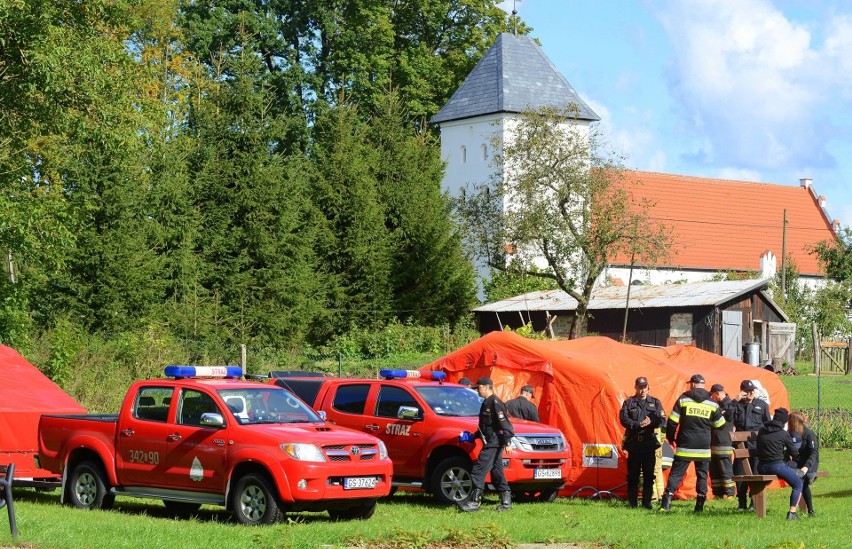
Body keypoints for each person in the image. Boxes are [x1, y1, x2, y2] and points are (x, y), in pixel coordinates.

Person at [660, 374, 725, 513]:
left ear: (693, 384)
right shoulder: (712, 403)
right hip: (703, 446)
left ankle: (666, 504)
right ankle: (699, 506)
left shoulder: (683, 400)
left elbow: (672, 421)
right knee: (702, 475)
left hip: (685, 444)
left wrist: (671, 438)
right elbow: (720, 425)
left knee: (676, 474)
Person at [458, 377, 515, 512]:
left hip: (494, 442)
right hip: (490, 440)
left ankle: (474, 502)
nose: (477, 390)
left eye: (478, 388)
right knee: (497, 473)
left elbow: (505, 424)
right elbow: (486, 426)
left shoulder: (495, 403)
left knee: (478, 470)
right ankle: (506, 503)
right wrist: (473, 436)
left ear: (485, 387)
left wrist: (508, 442)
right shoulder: (485, 403)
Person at [619, 376, 666, 509]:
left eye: (644, 387)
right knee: (633, 475)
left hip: (649, 443)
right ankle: (632, 502)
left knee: (649, 475)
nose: (642, 390)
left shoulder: (655, 403)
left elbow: (662, 420)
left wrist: (651, 422)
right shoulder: (629, 402)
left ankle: (647, 502)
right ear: (636, 388)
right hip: (634, 444)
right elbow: (623, 419)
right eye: (640, 388)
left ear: (648, 388)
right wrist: (637, 424)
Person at [730, 379, 771, 511]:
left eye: (751, 390)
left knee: (755, 472)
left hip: (756, 444)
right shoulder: (737, 405)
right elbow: (726, 417)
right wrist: (735, 400)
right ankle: (741, 503)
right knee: (740, 472)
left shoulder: (762, 405)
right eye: (747, 391)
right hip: (741, 444)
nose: (750, 393)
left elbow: (768, 424)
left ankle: (754, 502)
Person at [756, 407, 802, 520]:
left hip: (761, 466)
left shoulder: (762, 431)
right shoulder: (783, 433)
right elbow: (794, 453)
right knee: (798, 484)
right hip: (777, 466)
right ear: (784, 421)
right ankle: (792, 513)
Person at [788, 410, 819, 517]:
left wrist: (806, 467)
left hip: (810, 463)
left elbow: (814, 453)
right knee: (798, 479)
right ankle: (808, 511)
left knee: (801, 480)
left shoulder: (809, 434)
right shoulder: (790, 434)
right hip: (798, 462)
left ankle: (798, 511)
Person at [708, 383, 736, 498]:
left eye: (712, 396)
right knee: (714, 470)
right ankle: (718, 493)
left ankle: (729, 494)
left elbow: (727, 417)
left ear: (717, 394)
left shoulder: (729, 405)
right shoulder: (717, 405)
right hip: (714, 443)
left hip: (723, 443)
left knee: (726, 470)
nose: (711, 398)